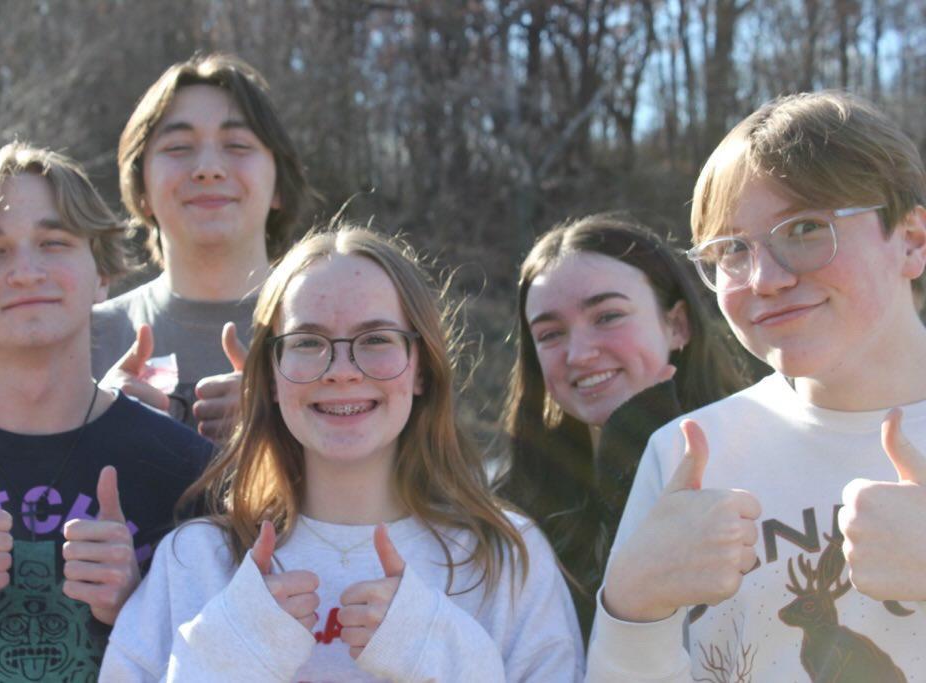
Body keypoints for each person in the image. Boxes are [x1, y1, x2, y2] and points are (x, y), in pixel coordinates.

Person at [100, 225, 585, 681]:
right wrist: (225, 657)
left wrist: (438, 653)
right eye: (308, 342)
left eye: (375, 339)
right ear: (271, 376)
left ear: (421, 368)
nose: (341, 370)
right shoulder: (196, 562)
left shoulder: (505, 559)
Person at [586, 91, 926, 681]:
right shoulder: (686, 456)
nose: (764, 279)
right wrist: (633, 607)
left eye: (806, 228)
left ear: (912, 240)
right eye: (731, 250)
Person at [0, 143, 212, 681]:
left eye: (54, 242)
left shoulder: (189, 472)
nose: (26, 272)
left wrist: (138, 608)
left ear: (101, 274)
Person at [500, 213, 747, 640]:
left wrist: (642, 437)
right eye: (550, 334)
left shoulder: (755, 465)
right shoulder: (512, 521)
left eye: (608, 316)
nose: (579, 354)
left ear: (677, 325)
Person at [92, 53, 313, 439]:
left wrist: (289, 419)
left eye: (237, 145)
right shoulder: (85, 341)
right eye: (178, 147)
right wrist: (93, 423)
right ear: (141, 189)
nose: (208, 169)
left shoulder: (338, 332)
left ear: (279, 183)